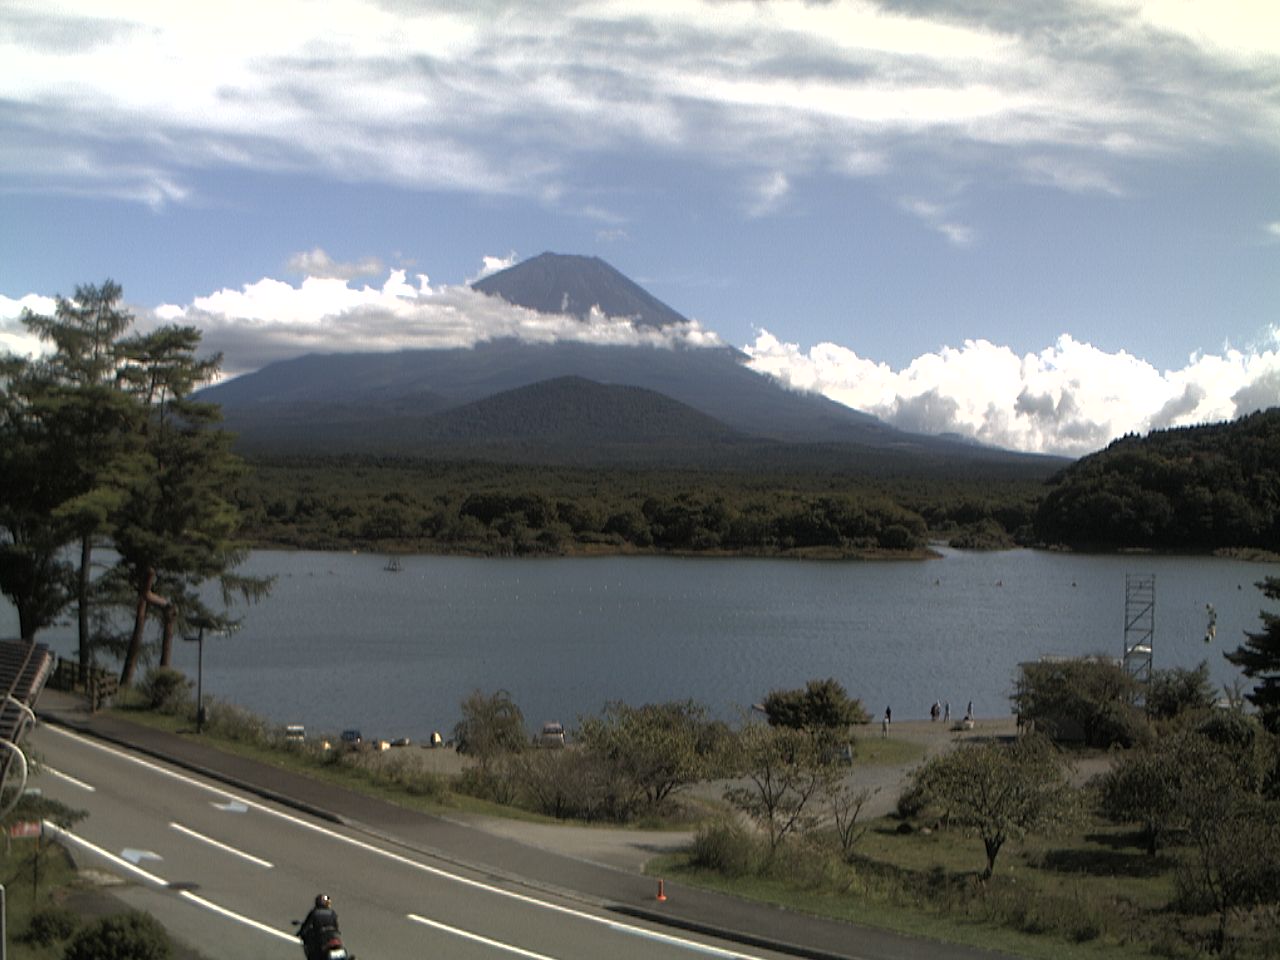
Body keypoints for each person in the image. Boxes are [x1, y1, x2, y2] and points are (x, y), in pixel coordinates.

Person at [299, 894, 340, 960]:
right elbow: (336, 926)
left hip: (322, 937)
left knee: (316, 950)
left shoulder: (314, 912)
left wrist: (300, 932)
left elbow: (307, 924)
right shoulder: (332, 913)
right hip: (335, 936)